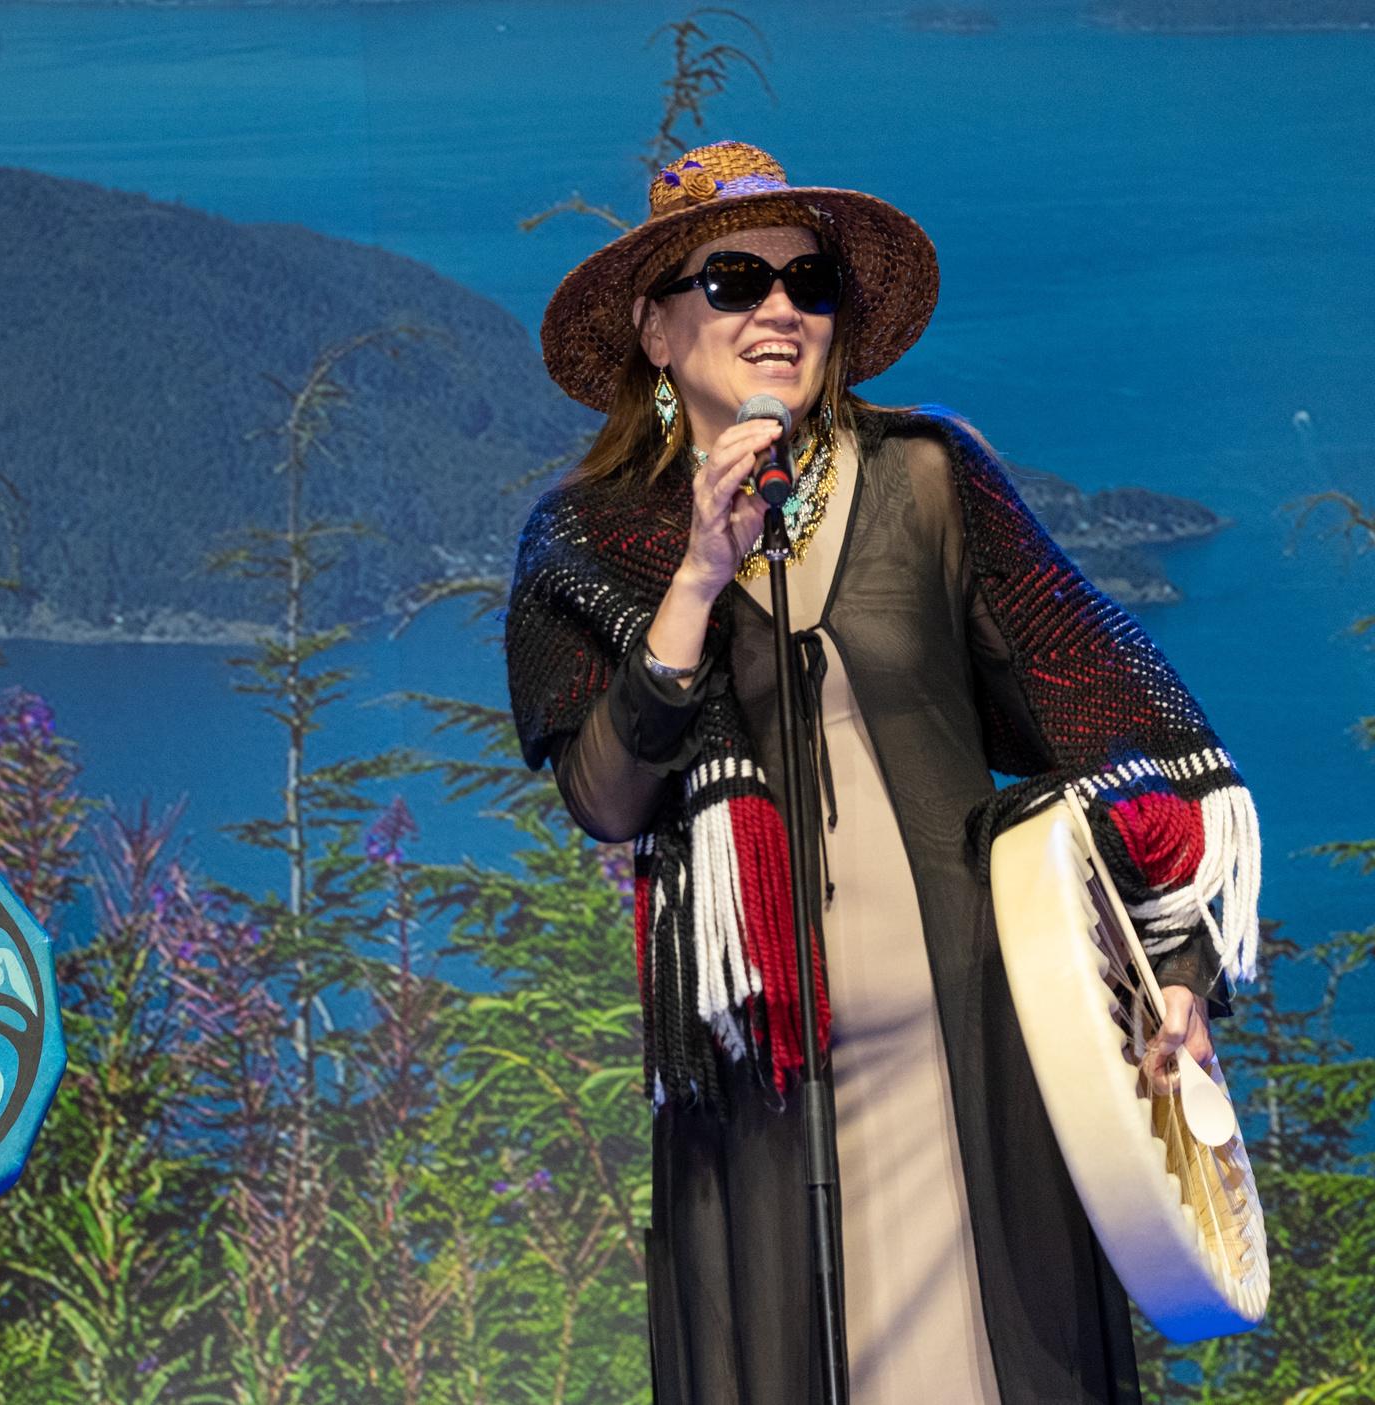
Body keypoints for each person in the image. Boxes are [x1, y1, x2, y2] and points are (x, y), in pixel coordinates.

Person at [505, 142, 1262, 1404]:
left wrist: (1178, 964)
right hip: (763, 1101)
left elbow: (1115, 721)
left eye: (809, 283)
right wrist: (697, 579)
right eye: (735, 280)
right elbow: (605, 797)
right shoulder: (590, 540)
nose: (780, 310)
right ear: (655, 328)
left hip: (985, 1062)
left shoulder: (929, 479)